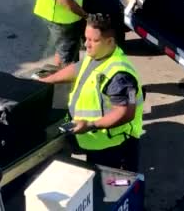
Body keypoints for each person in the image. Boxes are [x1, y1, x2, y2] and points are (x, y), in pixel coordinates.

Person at [39, 13, 143, 172]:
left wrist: (90, 125)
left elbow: (126, 113)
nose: (87, 44)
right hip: (92, 140)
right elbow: (77, 69)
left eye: (94, 40)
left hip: (112, 146)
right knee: (96, 182)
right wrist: (47, 80)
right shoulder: (96, 54)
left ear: (110, 41)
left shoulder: (120, 77)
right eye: (86, 38)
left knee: (115, 186)